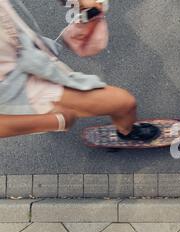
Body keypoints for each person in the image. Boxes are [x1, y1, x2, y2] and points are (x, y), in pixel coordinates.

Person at [0, 0, 159, 140]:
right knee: (125, 104)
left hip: (27, 57)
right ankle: (126, 132)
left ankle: (48, 114)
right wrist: (54, 121)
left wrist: (82, 4)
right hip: (19, 88)